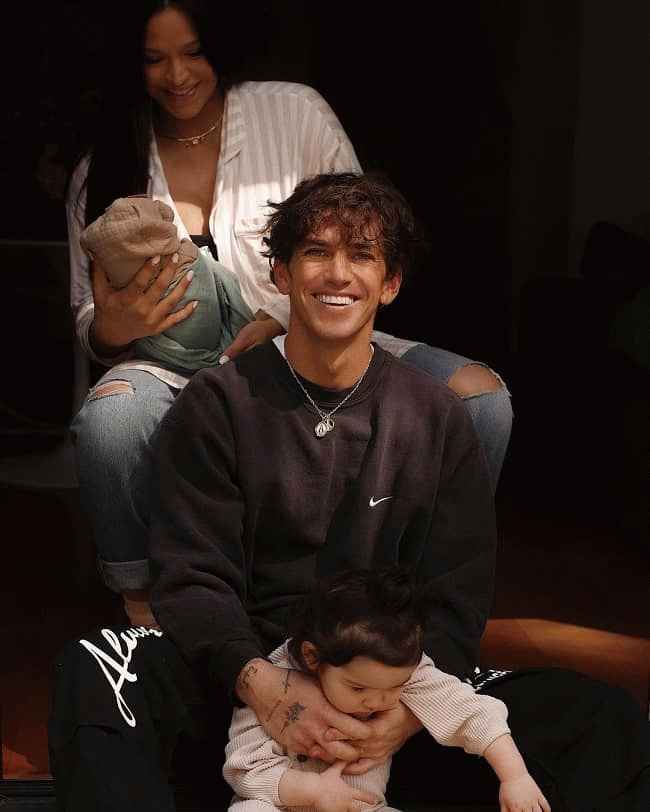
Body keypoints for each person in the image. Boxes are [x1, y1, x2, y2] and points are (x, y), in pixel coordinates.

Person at [50, 172, 650, 812]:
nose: (338, 274)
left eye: (361, 255)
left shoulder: (436, 418)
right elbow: (193, 576)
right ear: (281, 274)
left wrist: (400, 720)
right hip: (243, 702)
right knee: (97, 668)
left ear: (390, 283)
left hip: (386, 706)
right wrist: (265, 689)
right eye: (316, 252)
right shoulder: (218, 403)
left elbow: (456, 598)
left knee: (601, 717)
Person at [67, 0, 512, 626]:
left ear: (222, 44)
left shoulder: (293, 111)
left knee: (482, 401)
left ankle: (404, 600)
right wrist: (115, 327)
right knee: (111, 423)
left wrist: (279, 314)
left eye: (193, 52)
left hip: (318, 338)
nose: (177, 75)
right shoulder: (102, 167)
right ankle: (145, 613)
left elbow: (364, 231)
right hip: (177, 367)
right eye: (153, 59)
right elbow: (87, 315)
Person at [223, 566, 550, 812]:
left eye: (397, 687)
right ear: (312, 657)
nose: (377, 701)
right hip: (279, 803)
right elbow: (244, 770)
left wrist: (515, 777)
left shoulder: (401, 673)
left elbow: (472, 713)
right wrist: (314, 792)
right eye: (358, 688)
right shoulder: (278, 683)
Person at [79, 195, 253, 373]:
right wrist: (110, 334)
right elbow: (84, 303)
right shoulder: (96, 185)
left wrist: (270, 324)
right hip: (148, 366)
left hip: (255, 350)